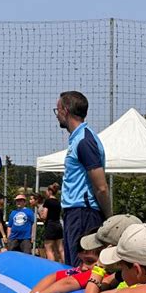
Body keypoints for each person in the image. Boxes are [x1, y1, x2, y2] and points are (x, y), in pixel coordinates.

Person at [15, 228, 114, 293]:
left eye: (90, 261)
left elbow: (68, 282)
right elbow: (53, 277)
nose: (84, 267)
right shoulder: (80, 270)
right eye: (81, 260)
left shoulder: (102, 273)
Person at [54, 91, 111, 266]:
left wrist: (109, 219)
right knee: (73, 268)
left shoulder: (85, 141)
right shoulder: (78, 139)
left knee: (82, 270)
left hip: (83, 214)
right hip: (75, 214)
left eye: (57, 111)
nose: (57, 116)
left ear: (65, 110)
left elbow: (101, 187)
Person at [40, 182, 64, 263]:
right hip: (58, 225)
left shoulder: (48, 201)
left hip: (50, 225)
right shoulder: (58, 202)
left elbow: (44, 216)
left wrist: (41, 215)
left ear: (50, 191)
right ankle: (65, 265)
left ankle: (52, 268)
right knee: (60, 249)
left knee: (48, 248)